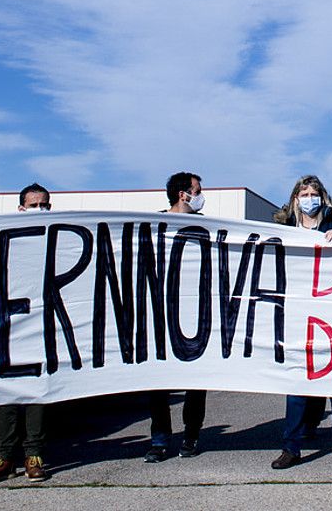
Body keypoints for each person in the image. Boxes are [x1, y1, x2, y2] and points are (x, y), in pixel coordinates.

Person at [271, 175, 332, 469]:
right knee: (297, 387)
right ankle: (291, 448)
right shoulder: (284, 229)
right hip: (298, 317)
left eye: (313, 193)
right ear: (295, 199)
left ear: (322, 197)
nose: (308, 198)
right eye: (303, 193)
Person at [0, 184, 55, 483]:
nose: (40, 208)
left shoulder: (56, 236)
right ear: (21, 208)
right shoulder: (3, 236)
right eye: (34, 204)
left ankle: (34, 454)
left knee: (37, 392)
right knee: (7, 393)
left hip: (42, 325)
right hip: (9, 325)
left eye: (44, 204)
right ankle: (4, 456)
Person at [144, 172, 209, 463]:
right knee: (158, 383)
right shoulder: (152, 225)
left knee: (196, 382)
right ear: (184, 194)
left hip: (195, 314)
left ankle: (191, 435)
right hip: (160, 315)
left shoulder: (206, 225)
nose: (200, 194)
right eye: (197, 190)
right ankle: (159, 440)